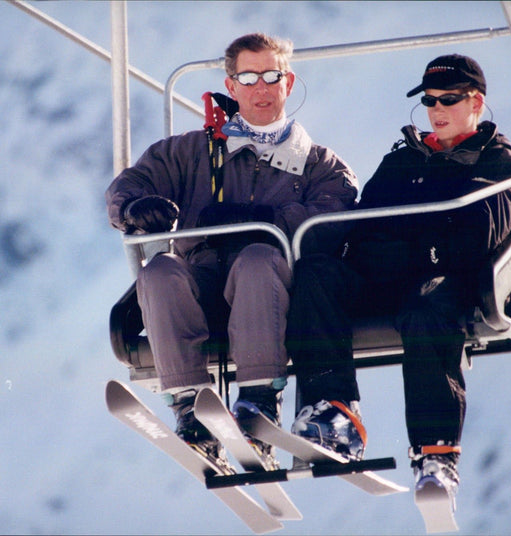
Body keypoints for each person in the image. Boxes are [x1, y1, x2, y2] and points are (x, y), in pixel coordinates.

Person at [105, 33, 357, 467]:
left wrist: (265, 223)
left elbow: (332, 214)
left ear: (288, 83)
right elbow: (129, 185)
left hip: (271, 292)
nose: (261, 88)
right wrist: (134, 207)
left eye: (271, 76)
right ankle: (192, 407)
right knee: (160, 269)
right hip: (201, 286)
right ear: (232, 84)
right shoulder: (191, 153)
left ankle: (258, 403)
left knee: (257, 260)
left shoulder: (318, 164)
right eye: (248, 76)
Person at [286, 54, 511, 503]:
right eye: (430, 101)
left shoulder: (495, 162)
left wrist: (418, 245)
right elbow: (366, 219)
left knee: (426, 309)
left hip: (445, 282)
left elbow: (479, 231)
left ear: (476, 102)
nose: (436, 110)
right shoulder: (404, 158)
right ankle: (333, 411)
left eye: (448, 100)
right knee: (317, 274)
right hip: (384, 275)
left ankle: (436, 454)